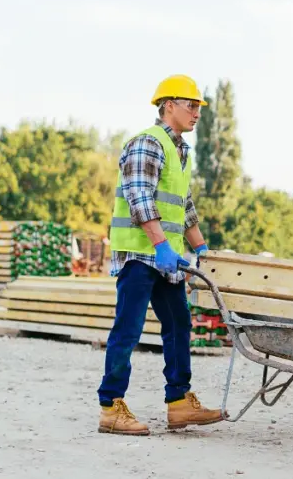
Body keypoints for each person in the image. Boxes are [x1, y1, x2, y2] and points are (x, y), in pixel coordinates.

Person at [97, 74, 226, 436]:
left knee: (179, 325)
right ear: (168, 105)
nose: (197, 112)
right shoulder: (147, 144)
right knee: (129, 329)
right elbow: (140, 198)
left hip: (165, 257)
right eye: (191, 105)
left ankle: (179, 402)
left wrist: (200, 247)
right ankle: (110, 407)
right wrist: (160, 245)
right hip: (141, 255)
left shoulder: (180, 150)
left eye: (199, 107)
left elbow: (182, 207)